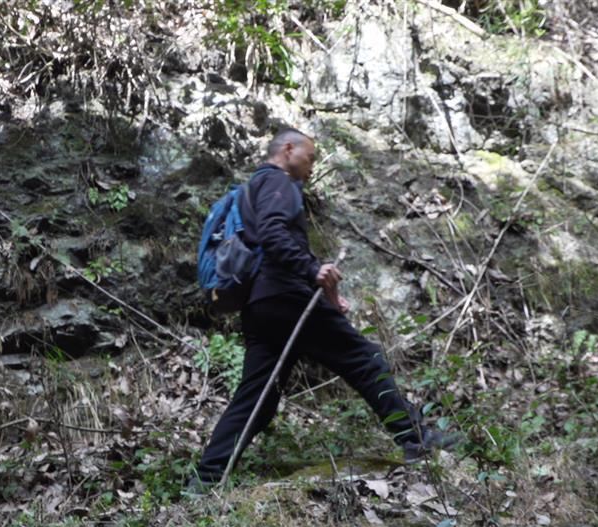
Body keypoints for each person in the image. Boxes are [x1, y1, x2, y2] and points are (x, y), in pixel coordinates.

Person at [192, 129, 458, 489]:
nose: (312, 166)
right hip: (288, 297)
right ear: (288, 149)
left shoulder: (252, 188)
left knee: (257, 396)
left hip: (260, 305)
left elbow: (271, 239)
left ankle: (207, 478)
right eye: (311, 156)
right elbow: (273, 234)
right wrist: (311, 269)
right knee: (365, 360)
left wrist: (325, 287)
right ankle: (415, 438)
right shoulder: (280, 182)